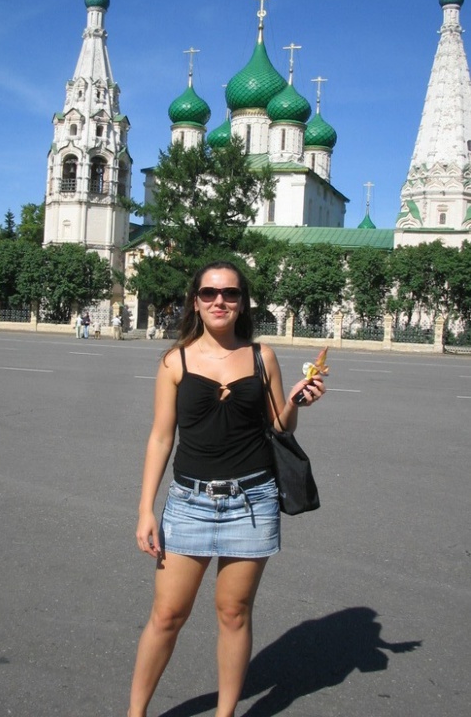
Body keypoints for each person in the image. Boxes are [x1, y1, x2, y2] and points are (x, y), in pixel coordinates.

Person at [128, 260, 325, 717]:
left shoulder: (262, 356)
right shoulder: (175, 360)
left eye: (230, 293)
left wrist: (297, 401)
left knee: (234, 613)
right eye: (209, 293)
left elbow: (279, 427)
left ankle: (225, 714)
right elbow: (161, 437)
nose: (220, 301)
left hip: (252, 503)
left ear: (242, 302)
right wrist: (145, 509)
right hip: (188, 504)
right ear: (195, 302)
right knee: (167, 615)